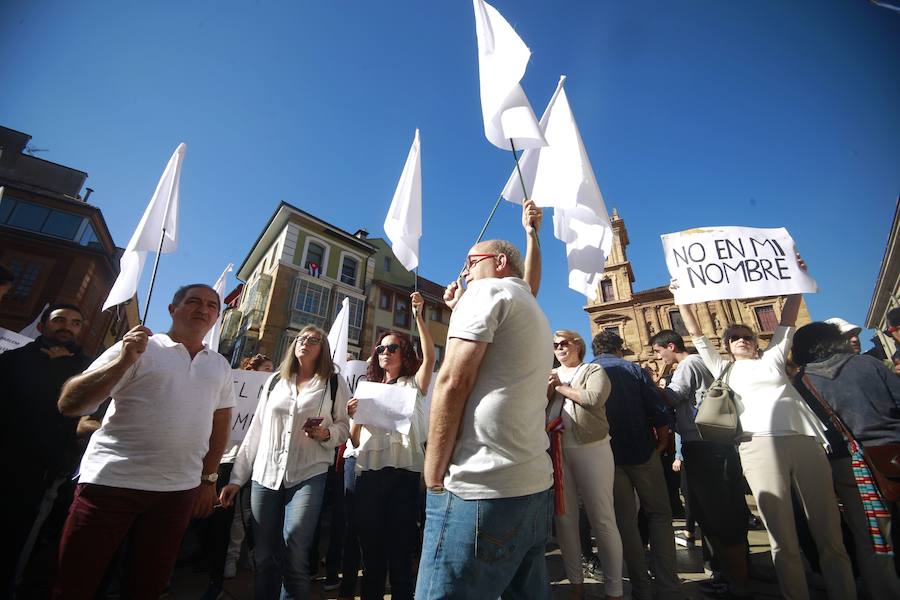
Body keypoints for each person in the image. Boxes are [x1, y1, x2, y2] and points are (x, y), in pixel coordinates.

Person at [673, 267, 858, 600]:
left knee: (829, 530)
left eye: (746, 335)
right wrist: (681, 298)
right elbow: (697, 332)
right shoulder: (722, 367)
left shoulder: (773, 358)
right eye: (734, 338)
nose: (742, 339)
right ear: (727, 346)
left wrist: (796, 278)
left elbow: (787, 315)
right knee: (781, 536)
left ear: (756, 341)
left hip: (803, 440)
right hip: (756, 446)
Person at [52, 284, 235, 599]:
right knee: (76, 582)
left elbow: (220, 422)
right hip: (111, 485)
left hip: (177, 492)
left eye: (211, 305)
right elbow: (71, 404)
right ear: (172, 309)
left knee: (147, 586)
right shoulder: (139, 347)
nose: (203, 310)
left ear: (217, 316)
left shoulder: (219, 365)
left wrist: (208, 479)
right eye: (193, 301)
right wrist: (124, 361)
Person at [416, 200, 554, 600]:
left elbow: (453, 381)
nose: (463, 272)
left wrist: (433, 472)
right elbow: (528, 286)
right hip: (530, 485)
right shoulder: (530, 308)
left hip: (479, 487)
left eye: (469, 263)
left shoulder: (488, 290)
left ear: (496, 262)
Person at [219, 326, 350, 599]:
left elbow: (344, 426)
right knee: (265, 556)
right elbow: (255, 430)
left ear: (323, 349)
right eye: (301, 338)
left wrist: (327, 433)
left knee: (295, 551)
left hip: (309, 474)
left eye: (314, 340)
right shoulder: (276, 381)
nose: (305, 342)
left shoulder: (334, 383)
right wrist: (236, 479)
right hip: (265, 476)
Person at [792, 321, 900, 599]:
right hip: (894, 451)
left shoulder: (801, 383)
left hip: (851, 465)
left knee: (873, 540)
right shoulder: (869, 365)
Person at [347, 291, 435, 600]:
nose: (386, 351)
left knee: (399, 554)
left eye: (393, 347)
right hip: (369, 475)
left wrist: (419, 318)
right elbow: (355, 441)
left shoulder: (414, 384)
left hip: (403, 476)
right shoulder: (366, 389)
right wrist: (354, 418)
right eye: (381, 348)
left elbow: (432, 355)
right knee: (371, 556)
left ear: (404, 352)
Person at [651, 329, 751, 599]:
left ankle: (736, 581)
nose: (660, 357)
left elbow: (672, 397)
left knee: (718, 514)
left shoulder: (688, 364)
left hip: (702, 444)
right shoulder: (700, 362)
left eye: (660, 352)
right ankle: (730, 575)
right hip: (714, 445)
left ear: (670, 346)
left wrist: (651, 385)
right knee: (722, 511)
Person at [0, 303, 90, 596]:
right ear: (42, 326)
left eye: (75, 323)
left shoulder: (86, 368)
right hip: (8, 456)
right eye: (60, 320)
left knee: (22, 537)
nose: (67, 326)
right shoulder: (13, 360)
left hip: (46, 471)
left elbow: (84, 412)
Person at [592, 330, 681, 600]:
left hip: (608, 456)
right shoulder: (632, 369)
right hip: (643, 451)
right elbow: (657, 408)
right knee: (660, 516)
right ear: (620, 348)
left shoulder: (586, 371)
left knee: (625, 522)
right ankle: (668, 588)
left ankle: (641, 587)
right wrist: (663, 441)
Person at [546, 329, 622, 600]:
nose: (559, 348)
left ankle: (614, 588)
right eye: (555, 346)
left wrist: (559, 387)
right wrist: (547, 389)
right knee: (564, 520)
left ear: (577, 345)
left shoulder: (592, 370)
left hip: (592, 447)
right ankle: (576, 585)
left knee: (602, 518)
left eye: (564, 343)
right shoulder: (550, 374)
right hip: (557, 450)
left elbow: (593, 399)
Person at [200, 353, 274, 599]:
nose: (269, 373)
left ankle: (242, 557)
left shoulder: (268, 395)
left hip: (254, 461)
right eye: (265, 369)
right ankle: (221, 565)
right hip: (226, 459)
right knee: (224, 515)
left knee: (246, 514)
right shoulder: (236, 388)